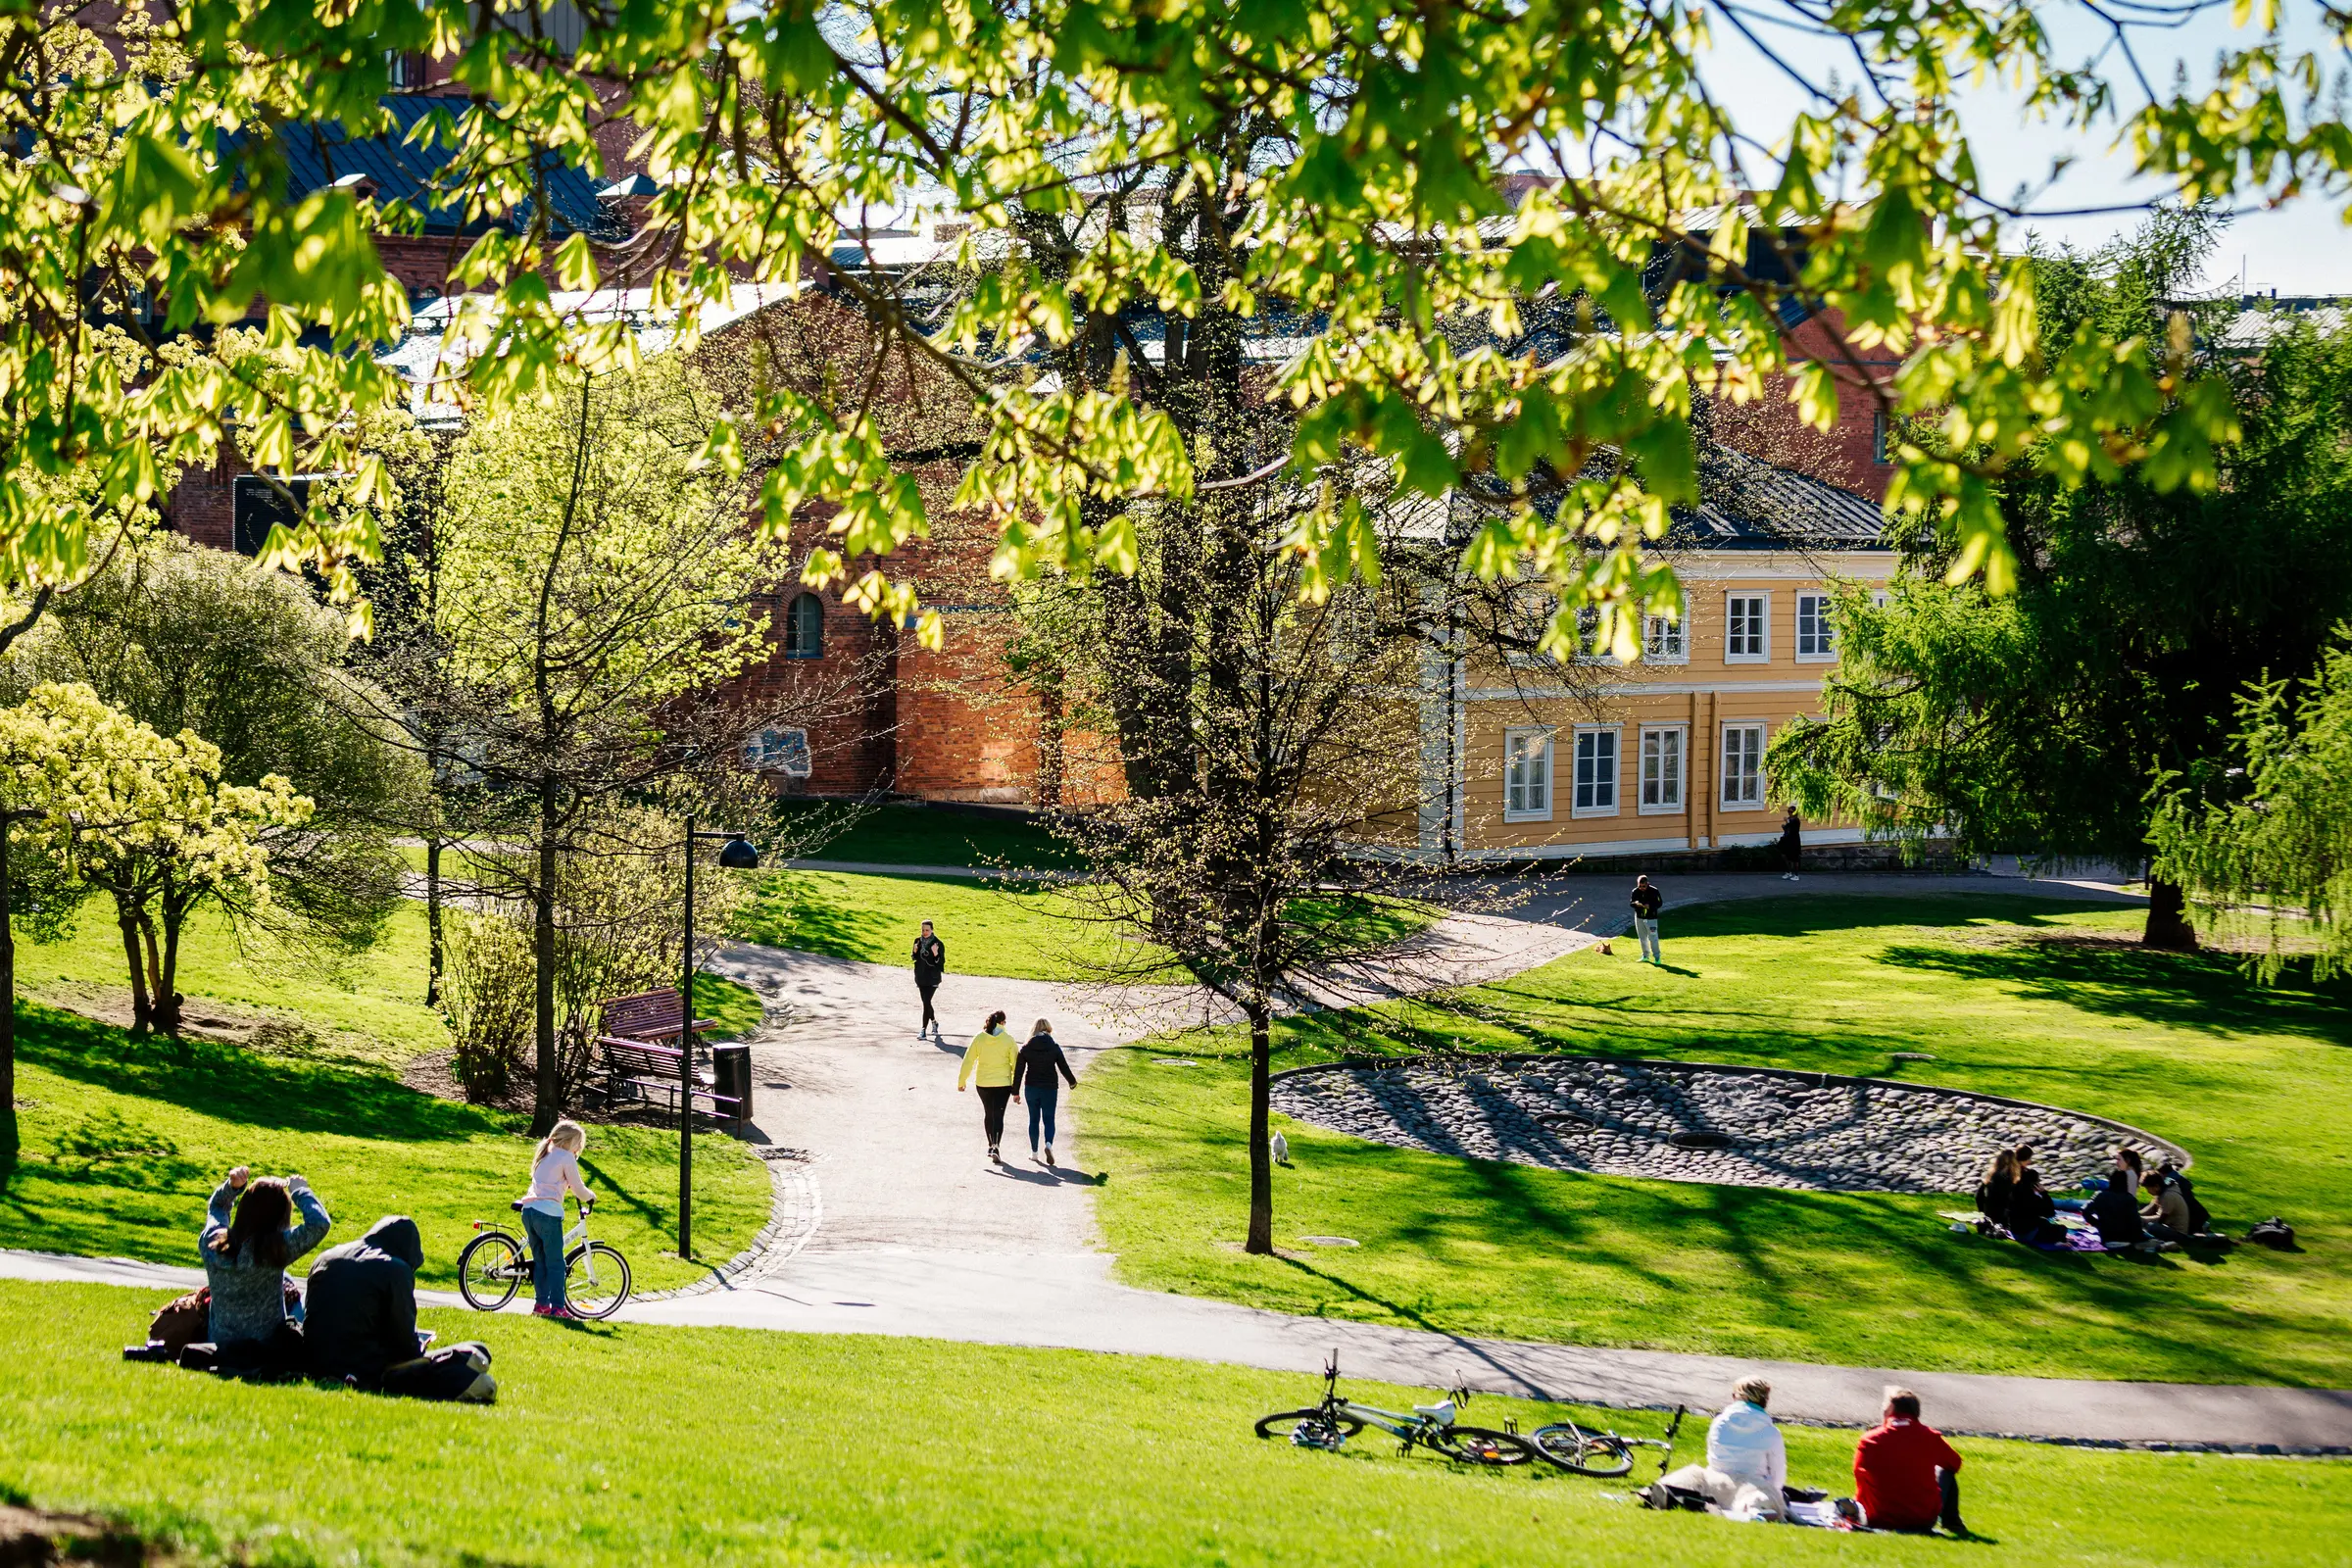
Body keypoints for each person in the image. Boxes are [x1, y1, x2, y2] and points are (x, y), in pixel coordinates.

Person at [306, 1214, 497, 1401]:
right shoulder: (395, 1269)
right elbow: (406, 1345)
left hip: (314, 1359)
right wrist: (420, 1345)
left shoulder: (326, 1257)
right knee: (476, 1352)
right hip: (367, 1367)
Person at [200, 1165, 331, 1368]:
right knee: (308, 1297)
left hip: (221, 1342)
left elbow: (217, 1207)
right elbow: (319, 1224)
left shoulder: (212, 1243)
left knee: (286, 1281)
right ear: (280, 1218)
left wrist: (232, 1186)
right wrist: (300, 1190)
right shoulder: (276, 1250)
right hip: (267, 1346)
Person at [1853, 1386, 1966, 1535]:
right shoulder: (1930, 1437)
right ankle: (1953, 1523)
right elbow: (1954, 1463)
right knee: (1946, 1471)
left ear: (1889, 1410)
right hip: (1921, 1519)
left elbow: (1860, 1477)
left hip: (1877, 1517)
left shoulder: (1869, 1440)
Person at [518, 1120, 596, 1319]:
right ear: (570, 1142)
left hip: (529, 1210)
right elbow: (578, 1188)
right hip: (548, 1214)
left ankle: (541, 1304)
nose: (579, 1148)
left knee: (541, 1260)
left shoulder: (546, 1153)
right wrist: (590, 1197)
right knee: (556, 1264)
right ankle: (558, 1308)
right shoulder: (566, 1157)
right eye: (579, 1143)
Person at [1689, 1376, 1787, 1521]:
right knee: (1764, 1500)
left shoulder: (1719, 1423)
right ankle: (1755, 1512)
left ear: (1735, 1397)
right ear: (1765, 1400)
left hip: (1715, 1488)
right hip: (1751, 1490)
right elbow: (1778, 1476)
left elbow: (1713, 1459)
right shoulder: (1771, 1432)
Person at [1014, 1017, 1079, 1166]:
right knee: (1049, 1119)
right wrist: (1072, 1082)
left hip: (1031, 1088)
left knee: (1033, 1119)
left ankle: (1034, 1153)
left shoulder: (1026, 1047)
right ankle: (1049, 1144)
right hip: (1049, 1089)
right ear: (1048, 1030)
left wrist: (1015, 1092)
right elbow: (1064, 1066)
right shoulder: (1054, 1047)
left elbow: (1019, 1071)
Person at [958, 1009, 1020, 1162]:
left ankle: (990, 1144)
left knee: (989, 1113)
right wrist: (1016, 1087)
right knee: (999, 1114)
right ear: (1002, 1023)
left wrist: (962, 1081)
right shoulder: (1008, 1040)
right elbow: (1016, 1065)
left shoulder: (979, 1038)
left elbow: (968, 1060)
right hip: (1003, 1084)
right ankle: (996, 1146)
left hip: (983, 1083)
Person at [2083, 1146, 2149, 1250]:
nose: (2116, 1162)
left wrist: (2098, 1224)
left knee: (2073, 1203)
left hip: (2112, 1211)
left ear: (2127, 1160)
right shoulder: (2130, 1176)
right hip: (2118, 1213)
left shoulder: (2128, 1175)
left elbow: (2085, 1210)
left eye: (2119, 1159)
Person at [2004, 1169, 2066, 1248]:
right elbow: (2050, 1213)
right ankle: (2058, 1240)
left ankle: (2055, 1238)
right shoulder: (2033, 1198)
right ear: (2034, 1184)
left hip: (2015, 1233)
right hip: (2028, 1234)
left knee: (2043, 1222)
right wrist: (2044, 1193)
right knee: (2061, 1229)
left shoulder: (2013, 1193)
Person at [912, 920, 947, 1040]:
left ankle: (923, 1030)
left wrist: (936, 953)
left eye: (927, 930)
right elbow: (914, 958)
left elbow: (941, 963)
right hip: (921, 977)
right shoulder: (917, 941)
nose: (924, 932)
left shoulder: (938, 944)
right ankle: (934, 1022)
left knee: (926, 1002)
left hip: (932, 978)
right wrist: (915, 951)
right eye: (923, 930)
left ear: (932, 930)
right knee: (926, 1003)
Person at [1973, 1149, 2019, 1232]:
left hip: (1989, 1213)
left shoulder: (1991, 1175)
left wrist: (1982, 1211)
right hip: (2001, 1216)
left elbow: (1978, 1196)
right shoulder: (2007, 1178)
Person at [1629, 875, 1664, 964]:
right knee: (1642, 938)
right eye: (1639, 886)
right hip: (1639, 917)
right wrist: (1636, 904)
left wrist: (1650, 906)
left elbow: (1660, 903)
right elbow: (1631, 903)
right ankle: (1645, 956)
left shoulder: (1654, 891)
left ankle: (1657, 957)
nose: (1641, 888)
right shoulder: (1635, 891)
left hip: (1651, 917)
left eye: (1643, 886)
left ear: (1647, 884)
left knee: (1653, 938)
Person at [1778, 808, 1802, 880]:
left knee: (1795, 858)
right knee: (1784, 855)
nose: (1789, 813)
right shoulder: (1789, 819)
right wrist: (1784, 827)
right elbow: (1787, 829)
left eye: (1791, 812)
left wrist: (1787, 822)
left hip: (1794, 840)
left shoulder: (1796, 820)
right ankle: (1788, 872)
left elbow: (1794, 829)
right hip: (1787, 839)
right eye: (1788, 811)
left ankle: (1796, 875)